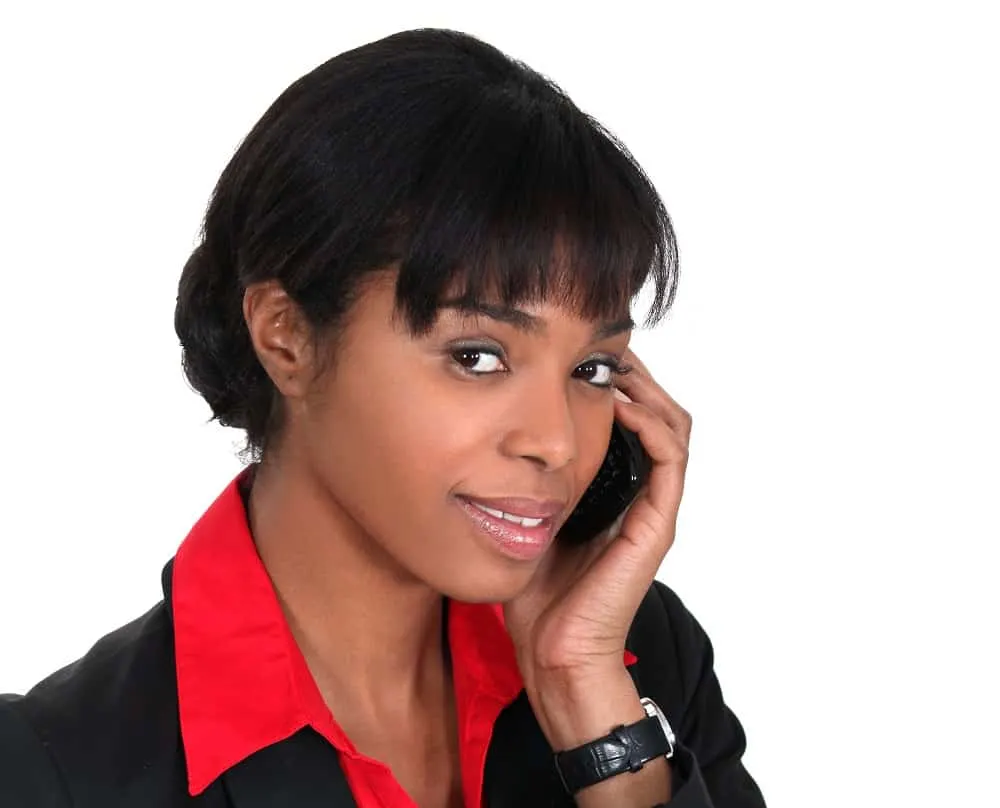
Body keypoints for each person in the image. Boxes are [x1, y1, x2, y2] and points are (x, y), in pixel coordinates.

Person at [0, 28, 765, 808]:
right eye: (478, 356)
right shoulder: (54, 775)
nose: (557, 442)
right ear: (287, 337)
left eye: (590, 370)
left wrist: (601, 728)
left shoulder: (636, 661)